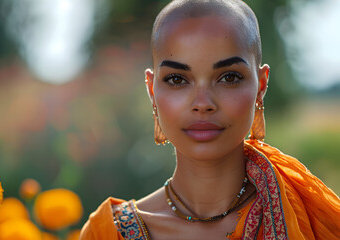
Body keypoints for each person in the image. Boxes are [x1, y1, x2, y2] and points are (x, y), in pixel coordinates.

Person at [79, 0, 340, 239]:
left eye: (228, 77)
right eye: (177, 79)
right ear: (152, 90)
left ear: (261, 86)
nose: (202, 103)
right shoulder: (107, 233)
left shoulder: (314, 221)